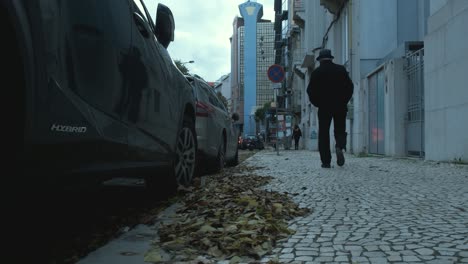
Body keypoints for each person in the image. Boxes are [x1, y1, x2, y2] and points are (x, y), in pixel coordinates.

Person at [307, 49, 354, 168]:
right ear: (331, 58)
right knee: (340, 129)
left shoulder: (316, 73)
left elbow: (310, 91)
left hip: (324, 107)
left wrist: (318, 103)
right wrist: (344, 101)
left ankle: (326, 161)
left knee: (323, 133)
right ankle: (339, 146)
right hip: (340, 106)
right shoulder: (341, 70)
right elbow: (350, 87)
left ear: (320, 60)